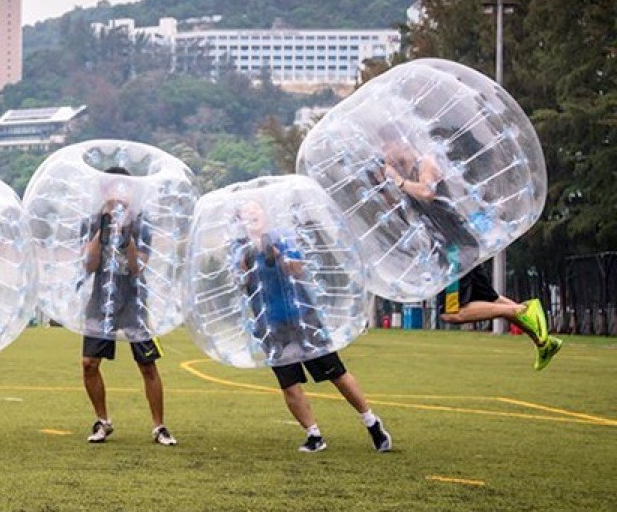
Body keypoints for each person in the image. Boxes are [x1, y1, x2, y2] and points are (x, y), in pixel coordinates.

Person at [383, 139, 563, 370]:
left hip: (455, 246)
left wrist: (397, 181)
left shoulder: (425, 163)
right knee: (491, 301)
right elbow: (401, 210)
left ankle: (521, 309)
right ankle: (545, 343)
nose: (384, 153)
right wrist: (384, 184)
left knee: (451, 313)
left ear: (399, 143)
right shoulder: (405, 175)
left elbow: (427, 192)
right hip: (451, 245)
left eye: (386, 146)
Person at [233, 199, 392, 453]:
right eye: (245, 212)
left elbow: (297, 270)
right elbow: (241, 282)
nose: (251, 213)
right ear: (240, 221)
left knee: (336, 374)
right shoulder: (240, 249)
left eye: (255, 209)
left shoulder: (281, 238)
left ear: (265, 213)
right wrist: (248, 260)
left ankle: (372, 423)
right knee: (289, 383)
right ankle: (313, 435)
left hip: (303, 318)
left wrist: (277, 253)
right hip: (270, 325)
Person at [79, 167, 176, 446]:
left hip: (133, 299)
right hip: (100, 299)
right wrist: (104, 231)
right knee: (89, 363)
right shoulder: (93, 221)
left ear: (131, 191)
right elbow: (89, 265)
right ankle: (103, 421)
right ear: (104, 191)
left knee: (147, 364)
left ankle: (159, 426)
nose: (118, 193)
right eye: (112, 187)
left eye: (123, 188)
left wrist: (128, 238)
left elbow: (137, 267)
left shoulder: (142, 222)